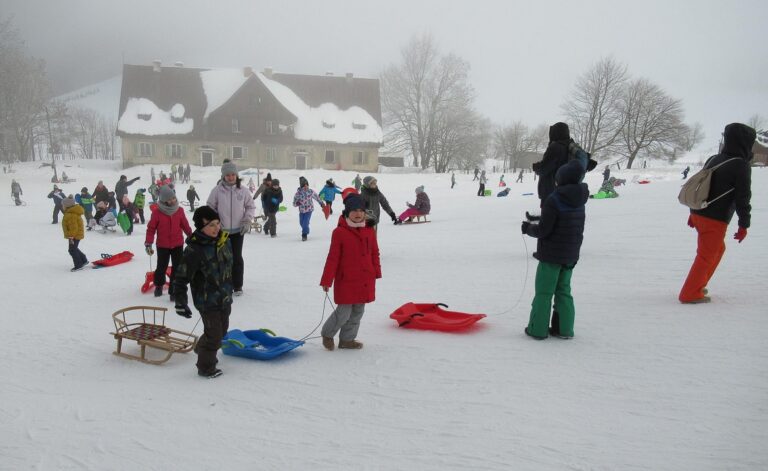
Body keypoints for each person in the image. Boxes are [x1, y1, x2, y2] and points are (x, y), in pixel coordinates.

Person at [679, 123, 755, 304]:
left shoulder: (715, 158)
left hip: (699, 213)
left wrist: (693, 212)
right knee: (706, 255)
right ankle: (690, 293)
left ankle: (698, 284)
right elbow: (743, 198)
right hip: (714, 219)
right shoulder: (741, 165)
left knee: (717, 249)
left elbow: (701, 187)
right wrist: (744, 224)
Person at [521, 160, 589, 340]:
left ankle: (537, 330)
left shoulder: (554, 199)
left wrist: (528, 229)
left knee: (544, 292)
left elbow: (544, 230)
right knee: (564, 291)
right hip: (570, 255)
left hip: (551, 256)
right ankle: (564, 329)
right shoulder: (580, 200)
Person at [173, 206, 233, 379]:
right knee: (215, 336)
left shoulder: (224, 241)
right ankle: (205, 367)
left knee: (221, 332)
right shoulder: (195, 250)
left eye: (217, 223)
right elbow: (181, 277)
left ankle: (201, 347)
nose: (216, 228)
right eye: (211, 225)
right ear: (201, 227)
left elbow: (230, 264)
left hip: (225, 296)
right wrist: (180, 301)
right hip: (206, 300)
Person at [319, 193, 381, 350]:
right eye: (354, 210)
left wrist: (376, 271)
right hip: (346, 279)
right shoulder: (339, 232)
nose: (358, 213)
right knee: (344, 312)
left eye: (361, 210)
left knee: (358, 312)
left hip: (365, 278)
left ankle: (347, 339)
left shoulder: (369, 230)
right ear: (347, 212)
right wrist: (327, 280)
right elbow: (332, 258)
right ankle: (327, 333)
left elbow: (374, 252)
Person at [207, 160, 256, 296]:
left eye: (233, 175)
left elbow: (250, 207)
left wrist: (247, 220)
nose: (231, 177)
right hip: (221, 232)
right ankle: (223, 282)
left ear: (236, 175)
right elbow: (210, 207)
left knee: (236, 258)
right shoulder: (217, 191)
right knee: (221, 258)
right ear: (223, 176)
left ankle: (237, 285)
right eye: (228, 175)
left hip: (238, 231)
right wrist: (215, 224)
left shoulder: (243, 191)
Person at [145, 185, 192, 301]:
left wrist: (191, 236)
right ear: (163, 200)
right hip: (163, 245)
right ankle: (159, 285)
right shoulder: (157, 213)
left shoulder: (179, 210)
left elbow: (185, 225)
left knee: (177, 268)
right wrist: (148, 242)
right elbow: (151, 229)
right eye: (169, 199)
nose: (172, 201)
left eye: (173, 198)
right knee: (161, 267)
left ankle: (173, 291)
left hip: (177, 244)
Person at [532, 123, 571, 209]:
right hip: (566, 187)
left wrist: (535, 166)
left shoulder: (556, 147)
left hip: (551, 187)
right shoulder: (570, 146)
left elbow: (544, 168)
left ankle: (547, 221)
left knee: (549, 212)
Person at [292, 176, 325, 241]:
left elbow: (317, 197)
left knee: (305, 223)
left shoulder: (310, 191)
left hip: (309, 210)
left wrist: (321, 203)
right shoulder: (298, 193)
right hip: (301, 210)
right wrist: (297, 203)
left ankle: (304, 235)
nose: (306, 187)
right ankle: (306, 228)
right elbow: (294, 202)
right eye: (304, 186)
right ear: (301, 186)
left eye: (307, 185)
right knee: (301, 223)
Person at [61, 196, 89, 271]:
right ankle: (84, 260)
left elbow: (74, 227)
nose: (62, 206)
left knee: (72, 250)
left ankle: (78, 265)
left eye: (63, 205)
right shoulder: (70, 213)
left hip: (74, 235)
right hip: (75, 235)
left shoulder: (70, 215)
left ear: (67, 206)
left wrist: (71, 236)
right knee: (74, 248)